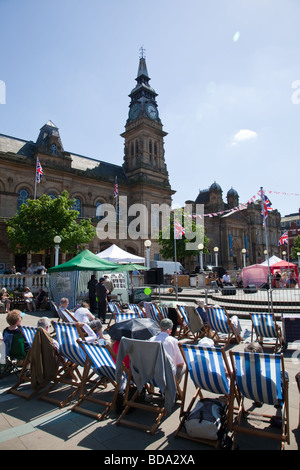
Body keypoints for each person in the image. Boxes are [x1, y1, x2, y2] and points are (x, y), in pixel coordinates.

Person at [149, 318, 185, 382]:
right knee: (183, 367)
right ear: (170, 329)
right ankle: (173, 388)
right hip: (168, 376)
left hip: (153, 375)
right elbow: (180, 363)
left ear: (160, 328)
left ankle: (153, 389)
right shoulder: (173, 341)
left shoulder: (151, 340)